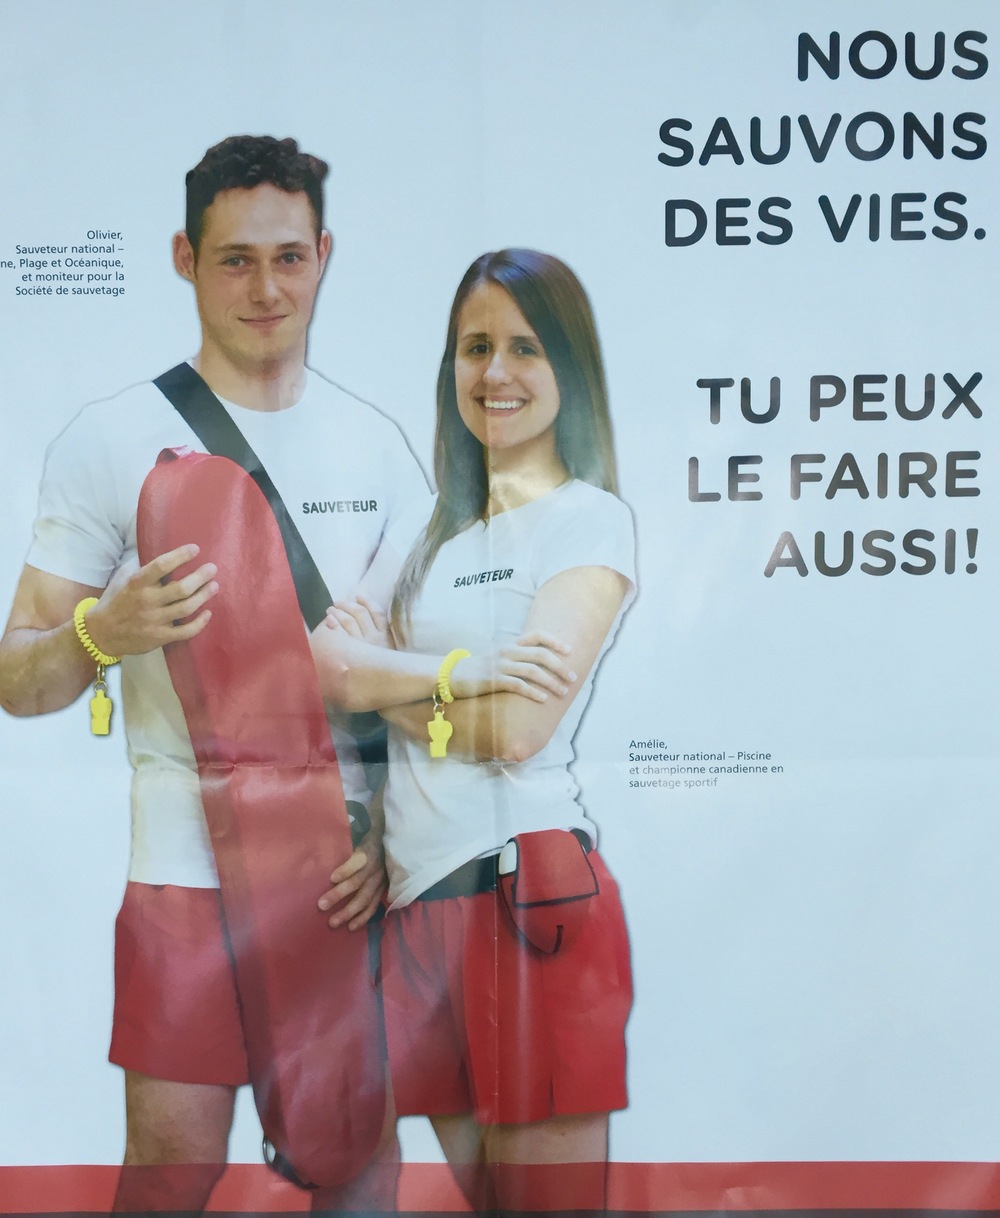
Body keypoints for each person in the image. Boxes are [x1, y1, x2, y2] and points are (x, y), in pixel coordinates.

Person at [0, 134, 437, 1215]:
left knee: (356, 1164)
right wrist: (101, 632)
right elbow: (17, 677)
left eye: (288, 257)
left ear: (324, 256)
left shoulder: (378, 447)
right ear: (184, 259)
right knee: (172, 1165)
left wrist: (394, 839)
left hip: (343, 870)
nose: (265, 288)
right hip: (185, 870)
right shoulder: (109, 438)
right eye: (235, 259)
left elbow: (423, 688)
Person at [312, 248, 635, 1214]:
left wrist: (386, 684)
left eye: (526, 348)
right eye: (475, 347)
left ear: (570, 368)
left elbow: (519, 728)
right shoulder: (426, 528)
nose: (496, 372)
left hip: (524, 893)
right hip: (419, 907)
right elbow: (322, 665)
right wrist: (458, 679)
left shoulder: (587, 521)